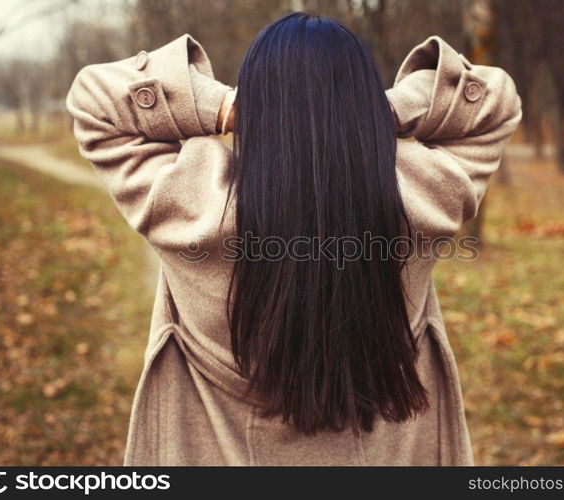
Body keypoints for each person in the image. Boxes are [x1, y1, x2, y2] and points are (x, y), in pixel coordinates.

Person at [66, 12, 521, 465]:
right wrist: (367, 113)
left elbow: (95, 98)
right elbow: (494, 100)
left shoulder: (194, 204)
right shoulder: (422, 195)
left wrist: (227, 107)